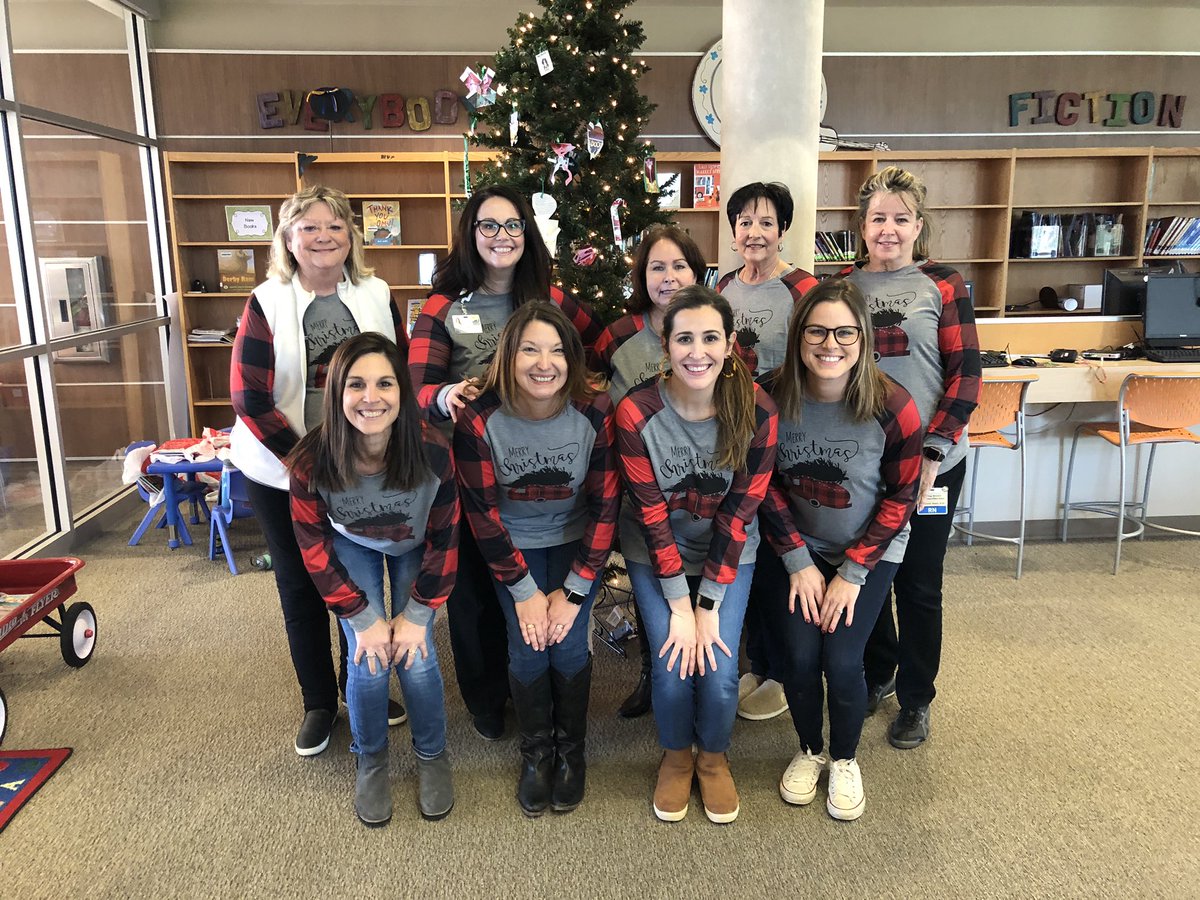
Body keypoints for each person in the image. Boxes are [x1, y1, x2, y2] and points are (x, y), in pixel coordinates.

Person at [410, 185, 603, 741]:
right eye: (488, 226)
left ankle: (536, 692)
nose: (502, 236)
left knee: (525, 590)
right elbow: (417, 387)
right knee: (472, 597)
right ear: (471, 235)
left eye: (513, 225)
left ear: (528, 234)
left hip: (539, 466)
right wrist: (445, 397)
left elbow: (601, 347)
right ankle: (487, 700)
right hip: (466, 472)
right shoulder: (444, 306)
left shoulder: (551, 299)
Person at [230, 185, 409, 757]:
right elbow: (249, 396)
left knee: (355, 580)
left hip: (361, 467)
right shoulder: (266, 300)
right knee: (301, 584)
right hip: (280, 468)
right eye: (309, 227)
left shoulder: (378, 294)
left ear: (350, 235)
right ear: (289, 238)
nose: (323, 236)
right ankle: (318, 702)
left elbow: (396, 379)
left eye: (334, 225)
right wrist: (306, 461)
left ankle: (364, 687)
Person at [758, 279, 922, 821]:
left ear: (863, 337)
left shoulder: (894, 405)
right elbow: (763, 486)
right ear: (799, 336)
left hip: (868, 552)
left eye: (845, 332)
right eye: (818, 330)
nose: (831, 343)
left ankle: (845, 758)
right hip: (798, 549)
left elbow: (902, 496)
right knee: (801, 658)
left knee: (844, 657)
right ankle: (810, 749)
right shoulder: (769, 397)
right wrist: (798, 561)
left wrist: (853, 570)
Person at [616, 285, 777, 825]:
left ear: (730, 343)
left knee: (719, 665)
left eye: (710, 337)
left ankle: (712, 756)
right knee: (671, 663)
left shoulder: (758, 410)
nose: (697, 351)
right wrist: (680, 608)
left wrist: (706, 605)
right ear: (665, 344)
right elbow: (651, 517)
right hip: (656, 549)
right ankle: (676, 754)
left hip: (727, 551)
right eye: (684, 338)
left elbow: (739, 513)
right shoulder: (635, 412)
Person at [454, 302, 618, 816]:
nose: (544, 363)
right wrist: (525, 593)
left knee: (567, 647)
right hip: (511, 545)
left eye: (556, 351)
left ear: (572, 359)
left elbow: (606, 505)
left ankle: (572, 752)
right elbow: (481, 513)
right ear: (508, 356)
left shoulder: (594, 411)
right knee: (528, 647)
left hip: (577, 542)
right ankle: (536, 753)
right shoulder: (480, 418)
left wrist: (573, 591)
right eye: (529, 349)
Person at [287, 333, 457, 826]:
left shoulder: (433, 452)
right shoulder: (309, 461)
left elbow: (447, 541)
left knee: (417, 655)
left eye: (385, 383)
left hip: (417, 545)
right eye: (356, 384)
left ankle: (431, 754)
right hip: (354, 543)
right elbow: (313, 550)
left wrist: (418, 614)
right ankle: (372, 758)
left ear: (402, 392)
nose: (371, 397)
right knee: (368, 656)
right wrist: (362, 618)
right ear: (336, 393)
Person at [842, 165, 981, 749]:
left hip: (931, 467)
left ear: (917, 225)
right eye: (878, 219)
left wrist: (931, 452)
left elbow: (966, 375)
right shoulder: (844, 287)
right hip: (868, 466)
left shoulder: (943, 285)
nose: (889, 230)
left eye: (900, 219)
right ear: (862, 226)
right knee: (867, 571)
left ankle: (917, 698)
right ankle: (879, 674)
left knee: (919, 585)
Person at [592, 225, 707, 719]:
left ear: (695, 270)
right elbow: (589, 393)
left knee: (703, 586)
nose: (669, 277)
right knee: (651, 590)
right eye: (657, 267)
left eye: (679, 265)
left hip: (702, 492)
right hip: (637, 492)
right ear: (642, 275)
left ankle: (708, 675)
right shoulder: (617, 336)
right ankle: (650, 674)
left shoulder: (709, 327)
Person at [716, 181, 819, 722]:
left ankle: (782, 671)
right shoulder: (725, 287)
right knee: (744, 552)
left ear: (782, 230)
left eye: (765, 221)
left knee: (782, 555)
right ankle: (757, 659)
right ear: (733, 232)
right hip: (738, 437)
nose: (754, 232)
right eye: (744, 222)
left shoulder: (803, 288)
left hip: (789, 437)